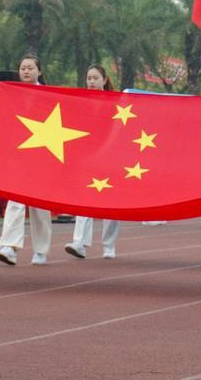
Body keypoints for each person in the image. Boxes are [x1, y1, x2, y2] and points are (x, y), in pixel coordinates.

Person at [0, 53, 53, 266]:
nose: (26, 71)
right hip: (20, 157)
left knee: (40, 207)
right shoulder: (13, 94)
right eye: (23, 68)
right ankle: (9, 246)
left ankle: (41, 250)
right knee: (15, 200)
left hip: (43, 157)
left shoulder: (49, 95)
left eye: (30, 67)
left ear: (39, 71)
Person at [65, 64, 121, 260]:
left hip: (111, 159)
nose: (91, 82)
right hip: (88, 159)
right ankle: (79, 242)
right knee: (83, 200)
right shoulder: (81, 102)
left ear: (104, 80)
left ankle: (109, 245)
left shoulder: (117, 103)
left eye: (95, 78)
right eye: (89, 78)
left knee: (111, 204)